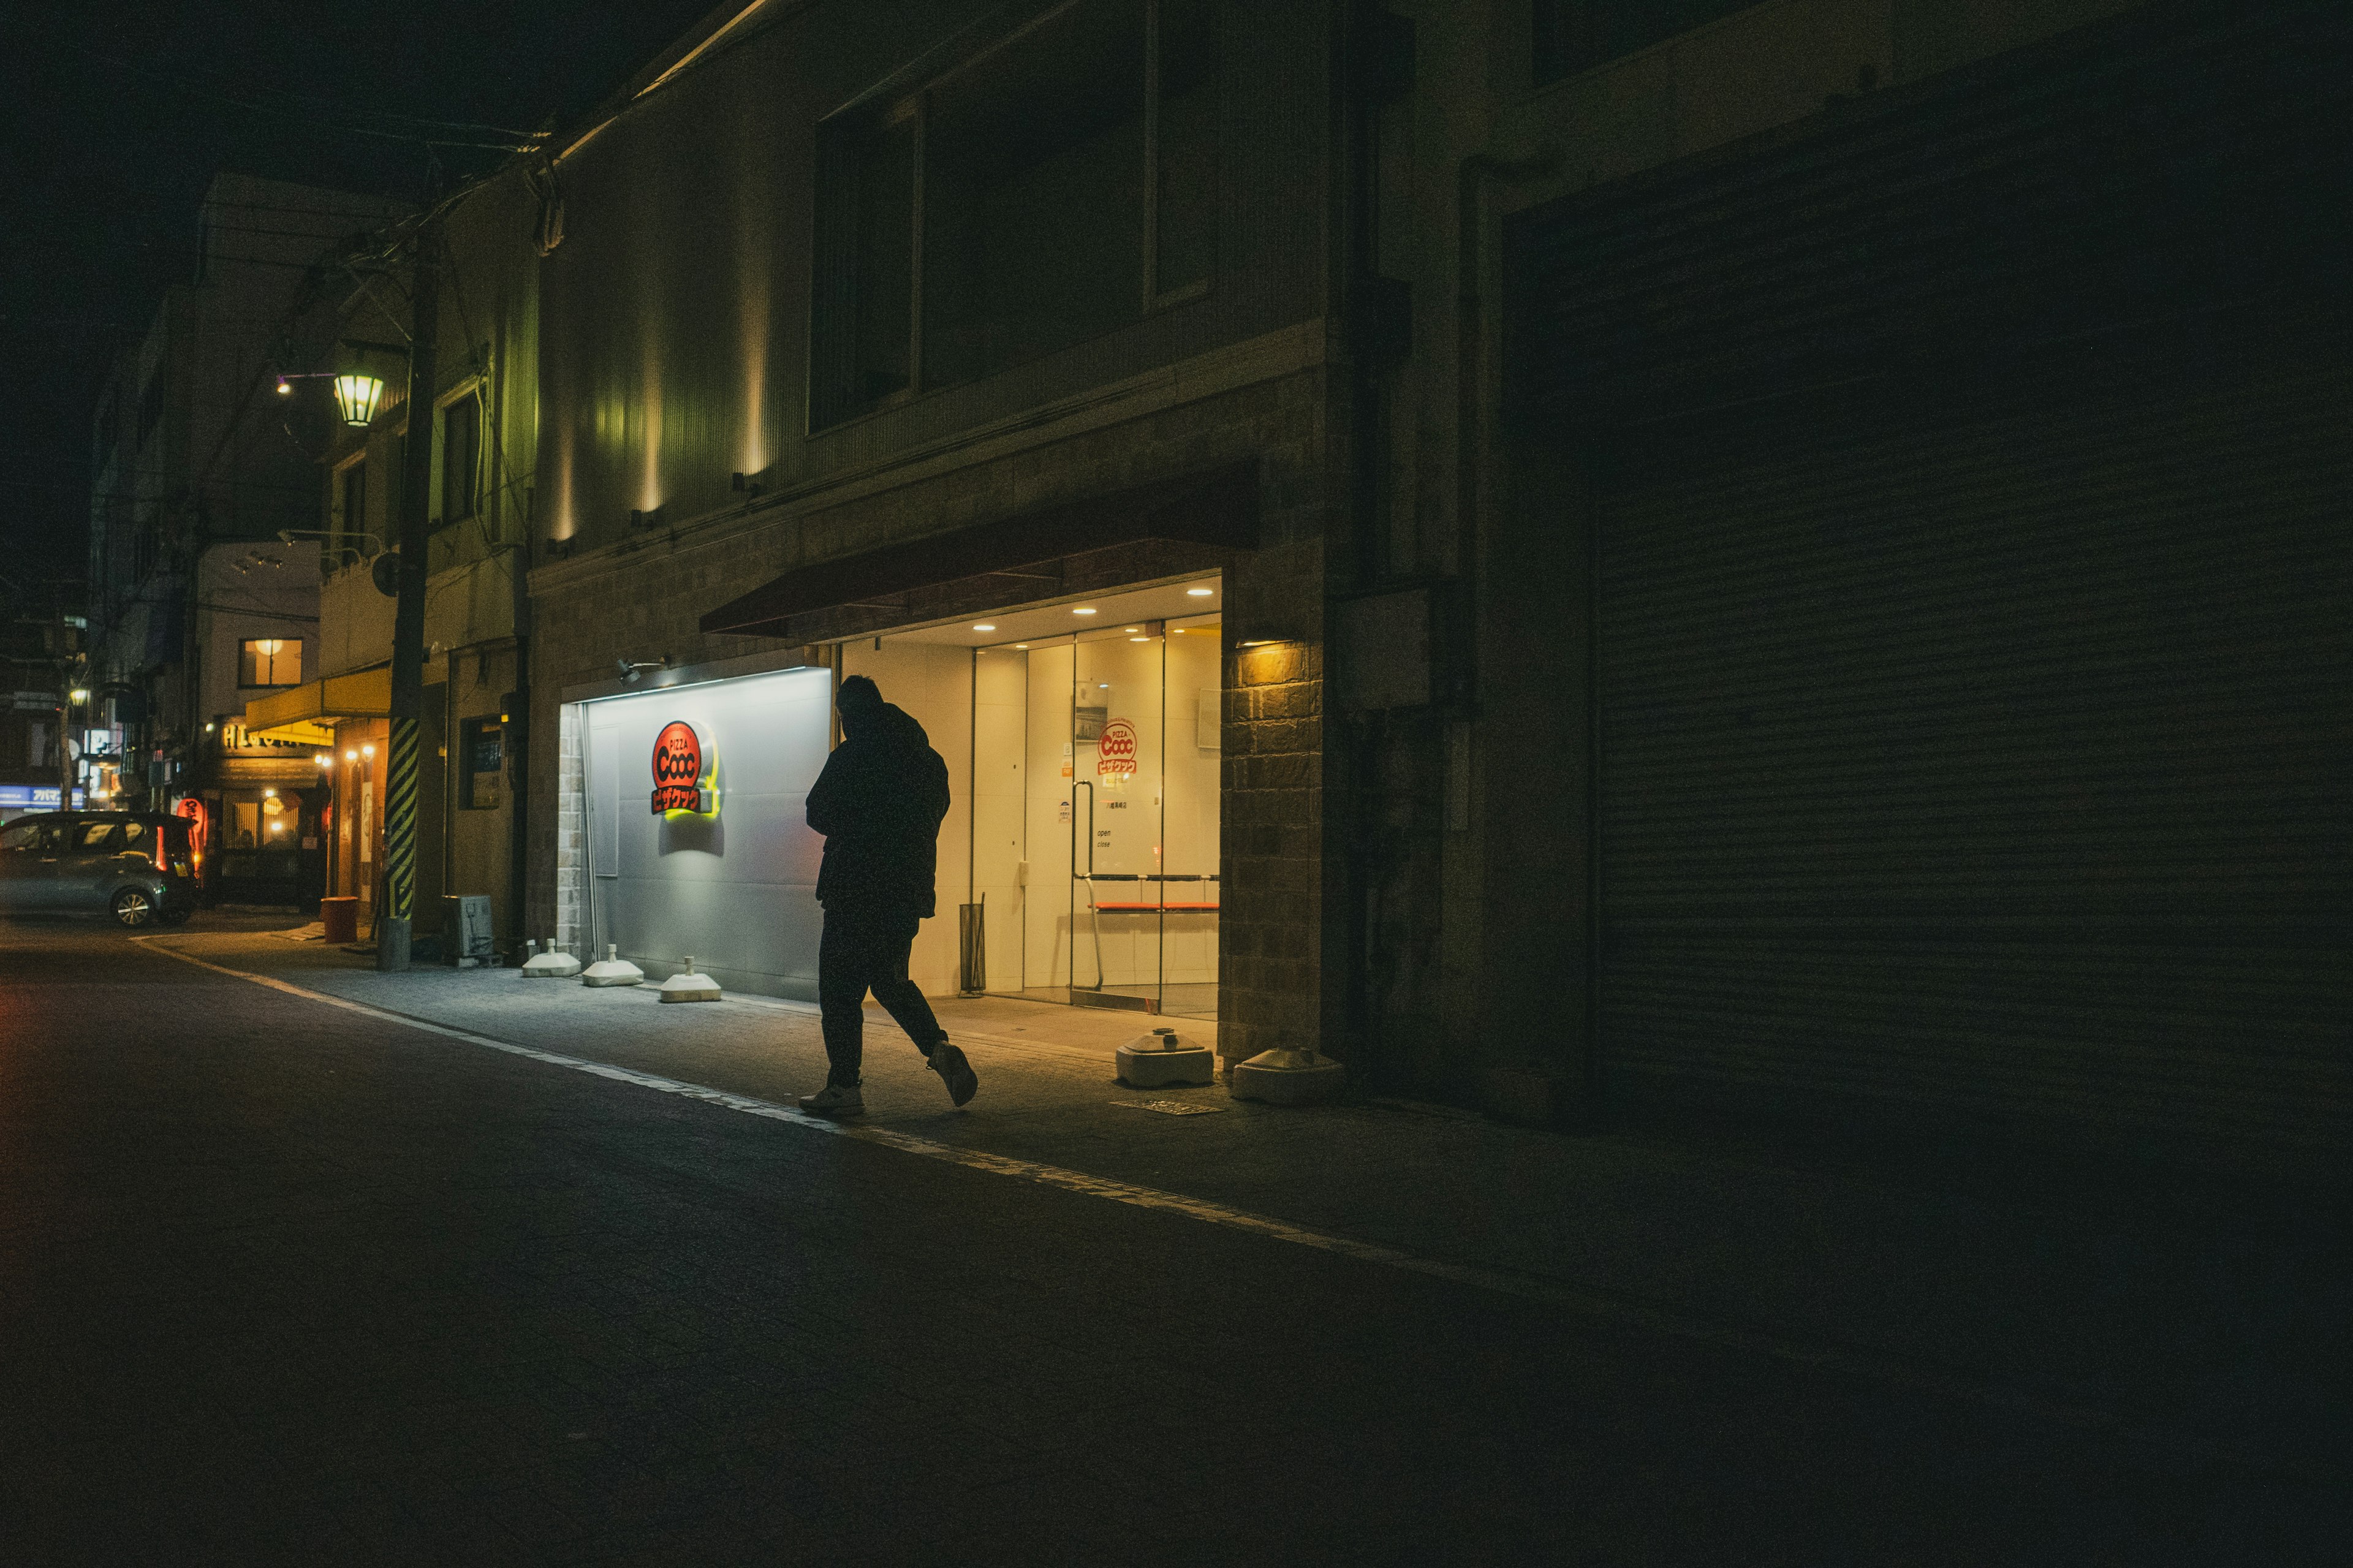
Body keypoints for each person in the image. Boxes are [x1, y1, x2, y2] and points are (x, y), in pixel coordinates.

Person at [798, 674, 978, 1116]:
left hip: (854, 891)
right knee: (890, 981)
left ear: (847, 715)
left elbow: (816, 810)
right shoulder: (927, 761)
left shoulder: (853, 755)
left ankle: (844, 1086)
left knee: (840, 991)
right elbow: (932, 815)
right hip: (905, 893)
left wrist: (856, 825)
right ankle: (938, 1048)